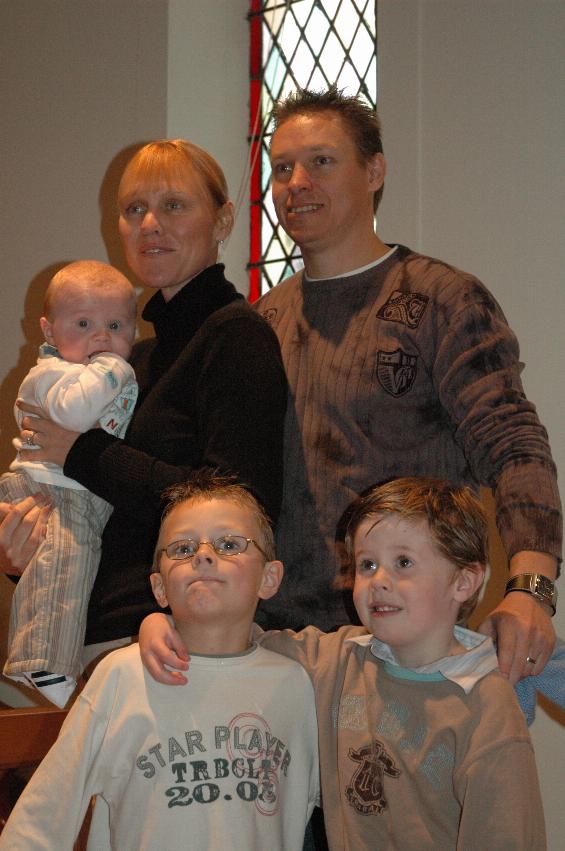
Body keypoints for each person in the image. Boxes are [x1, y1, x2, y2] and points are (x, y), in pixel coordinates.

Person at [253, 87, 561, 684]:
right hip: (281, 651)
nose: (296, 182)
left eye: (321, 161)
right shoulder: (261, 323)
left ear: (374, 171)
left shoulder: (442, 298)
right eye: (282, 167)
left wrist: (531, 588)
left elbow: (515, 446)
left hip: (414, 650)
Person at [140, 477, 546, 850]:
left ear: (464, 581)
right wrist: (163, 622)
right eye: (367, 565)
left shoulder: (486, 704)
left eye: (403, 562)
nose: (379, 580)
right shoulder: (336, 659)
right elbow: (236, 639)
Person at [1, 139, 287, 661]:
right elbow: (105, 508)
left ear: (223, 221)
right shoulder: (135, 358)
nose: (150, 223)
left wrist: (80, 452)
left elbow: (240, 508)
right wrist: (31, 545)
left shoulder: (235, 335)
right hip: (88, 628)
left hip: (175, 635)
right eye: (135, 209)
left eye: (173, 205)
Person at [0, 471, 319, 850]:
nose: (203, 554)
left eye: (229, 544)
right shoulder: (121, 676)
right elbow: (40, 822)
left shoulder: (295, 685)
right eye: (183, 549)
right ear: (159, 587)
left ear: (270, 578)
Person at [1, 260, 138, 707]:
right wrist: (113, 368)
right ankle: (43, 663)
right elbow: (77, 414)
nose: (101, 337)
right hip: (51, 488)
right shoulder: (56, 374)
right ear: (49, 330)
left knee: (62, 571)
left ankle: (47, 659)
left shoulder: (82, 370)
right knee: (64, 567)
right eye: (83, 324)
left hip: (67, 487)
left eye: (115, 325)